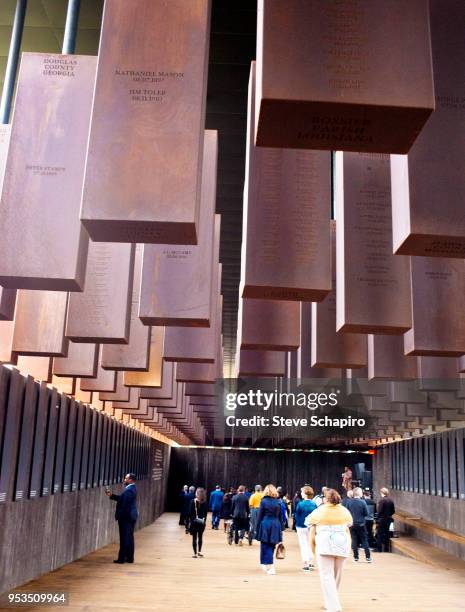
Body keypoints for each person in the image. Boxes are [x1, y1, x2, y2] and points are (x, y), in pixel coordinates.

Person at [307, 488, 352, 612]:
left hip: (325, 546)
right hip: (343, 545)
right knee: (337, 576)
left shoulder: (320, 511)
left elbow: (309, 523)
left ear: (325, 499)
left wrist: (313, 549)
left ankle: (333, 605)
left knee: (327, 576)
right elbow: (349, 525)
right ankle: (331, 601)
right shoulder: (345, 511)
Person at [106, 473, 138, 564]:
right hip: (131, 516)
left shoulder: (129, 490)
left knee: (124, 538)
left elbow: (123, 504)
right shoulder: (132, 488)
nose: (124, 479)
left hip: (126, 517)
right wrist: (112, 495)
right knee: (129, 537)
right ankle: (130, 558)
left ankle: (121, 559)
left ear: (131, 480)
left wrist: (119, 516)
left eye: (126, 478)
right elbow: (123, 499)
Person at [256, 484, 283, 575]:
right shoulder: (279, 502)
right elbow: (280, 517)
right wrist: (281, 529)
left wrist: (257, 528)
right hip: (276, 524)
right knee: (272, 545)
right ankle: (265, 563)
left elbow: (259, 516)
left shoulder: (263, 501)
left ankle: (270, 566)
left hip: (266, 523)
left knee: (265, 545)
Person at [294, 485, 317, 571]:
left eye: (302, 492)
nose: (301, 494)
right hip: (311, 526)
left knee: (303, 544)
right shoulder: (314, 504)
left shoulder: (300, 504)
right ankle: (311, 562)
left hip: (301, 526)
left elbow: (296, 515)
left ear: (305, 494)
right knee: (310, 543)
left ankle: (306, 563)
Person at [346, 487, 371, 563]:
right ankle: (368, 557)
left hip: (352, 524)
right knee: (364, 540)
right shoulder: (363, 502)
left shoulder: (349, 502)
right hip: (361, 524)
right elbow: (366, 513)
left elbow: (347, 513)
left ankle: (356, 557)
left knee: (354, 540)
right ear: (359, 493)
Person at [189, 487, 208, 558]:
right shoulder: (205, 503)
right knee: (200, 537)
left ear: (197, 493)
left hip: (194, 522)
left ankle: (195, 553)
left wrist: (189, 522)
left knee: (194, 538)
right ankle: (199, 552)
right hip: (201, 522)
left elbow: (190, 513)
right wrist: (204, 522)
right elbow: (205, 514)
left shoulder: (192, 502)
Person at [376, 487, 395, 553]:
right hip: (389, 520)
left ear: (382, 493)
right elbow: (393, 511)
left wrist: (377, 519)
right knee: (387, 534)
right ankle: (386, 549)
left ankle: (379, 549)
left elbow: (380, 511)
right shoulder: (391, 500)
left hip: (382, 520)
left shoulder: (382, 501)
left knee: (380, 534)